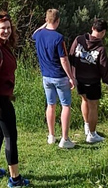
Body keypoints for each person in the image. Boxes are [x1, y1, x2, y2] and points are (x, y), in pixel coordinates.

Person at [0, 12, 30, 186]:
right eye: (2, 28)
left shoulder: (1, 47)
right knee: (11, 136)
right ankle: (15, 179)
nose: (6, 31)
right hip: (0, 101)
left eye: (9, 28)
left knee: (0, 133)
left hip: (0, 99)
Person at [32, 9, 76, 149]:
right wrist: (71, 77)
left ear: (46, 20)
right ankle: (65, 138)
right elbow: (64, 60)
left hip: (46, 76)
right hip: (59, 76)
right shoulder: (58, 38)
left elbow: (34, 33)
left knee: (50, 104)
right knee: (65, 105)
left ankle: (51, 135)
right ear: (58, 21)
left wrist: (45, 24)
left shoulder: (39, 34)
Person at [69, 18, 108, 144]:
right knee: (93, 105)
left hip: (79, 78)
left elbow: (71, 55)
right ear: (103, 32)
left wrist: (71, 75)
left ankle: (86, 126)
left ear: (92, 28)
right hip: (93, 80)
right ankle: (92, 134)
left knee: (84, 100)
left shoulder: (79, 40)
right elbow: (104, 68)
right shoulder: (100, 48)